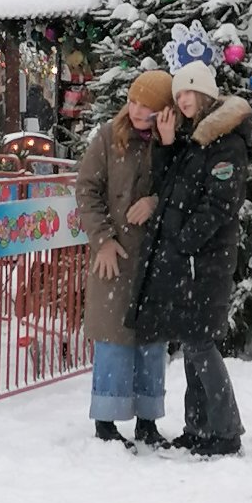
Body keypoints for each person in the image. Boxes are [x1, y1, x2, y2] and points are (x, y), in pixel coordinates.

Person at [126, 60, 252, 457]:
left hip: (206, 260)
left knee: (200, 344)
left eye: (189, 92)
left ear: (206, 93)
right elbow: (171, 191)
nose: (182, 100)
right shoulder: (196, 141)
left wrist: (184, 241)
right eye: (178, 93)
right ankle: (199, 428)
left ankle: (226, 430)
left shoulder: (226, 143)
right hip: (191, 261)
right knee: (192, 341)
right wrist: (166, 143)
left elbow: (219, 205)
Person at [76, 70, 175, 450]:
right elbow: (86, 190)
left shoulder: (172, 143)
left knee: (151, 342)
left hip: (153, 259)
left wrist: (155, 201)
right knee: (113, 340)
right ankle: (106, 422)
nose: (137, 110)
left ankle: (147, 421)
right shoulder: (107, 137)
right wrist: (102, 239)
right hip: (113, 258)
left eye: (147, 106)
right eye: (134, 101)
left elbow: (183, 189)